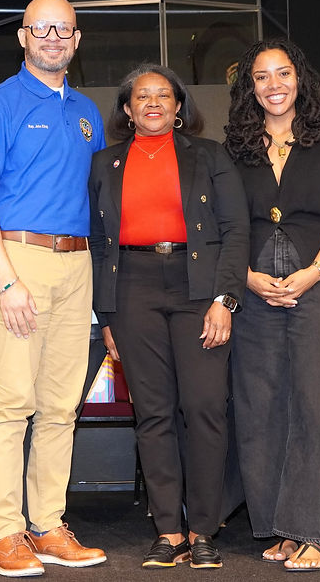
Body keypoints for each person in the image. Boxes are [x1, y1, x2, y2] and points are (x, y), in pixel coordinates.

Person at [0, 0, 107, 578]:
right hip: (16, 259)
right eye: (41, 28)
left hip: (77, 267)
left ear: (76, 40)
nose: (53, 38)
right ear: (22, 37)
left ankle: (48, 524)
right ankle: (5, 534)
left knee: (60, 405)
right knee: (12, 403)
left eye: (63, 30)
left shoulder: (88, 112)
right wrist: (7, 280)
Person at [88, 64, 249, 569]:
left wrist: (225, 300)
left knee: (204, 407)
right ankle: (169, 531)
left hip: (197, 287)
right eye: (142, 96)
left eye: (163, 95)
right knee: (152, 413)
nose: (153, 103)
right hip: (132, 288)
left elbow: (235, 231)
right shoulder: (103, 164)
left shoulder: (210, 156)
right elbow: (97, 244)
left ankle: (203, 529)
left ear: (180, 107)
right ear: (127, 109)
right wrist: (107, 314)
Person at [224, 37, 320, 571]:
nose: (274, 84)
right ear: (249, 87)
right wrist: (249, 278)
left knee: (317, 403)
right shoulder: (236, 147)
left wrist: (314, 273)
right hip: (255, 285)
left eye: (283, 73)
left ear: (299, 79)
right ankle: (280, 526)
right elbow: (227, 224)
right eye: (262, 76)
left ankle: (316, 531)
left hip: (318, 278)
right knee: (261, 406)